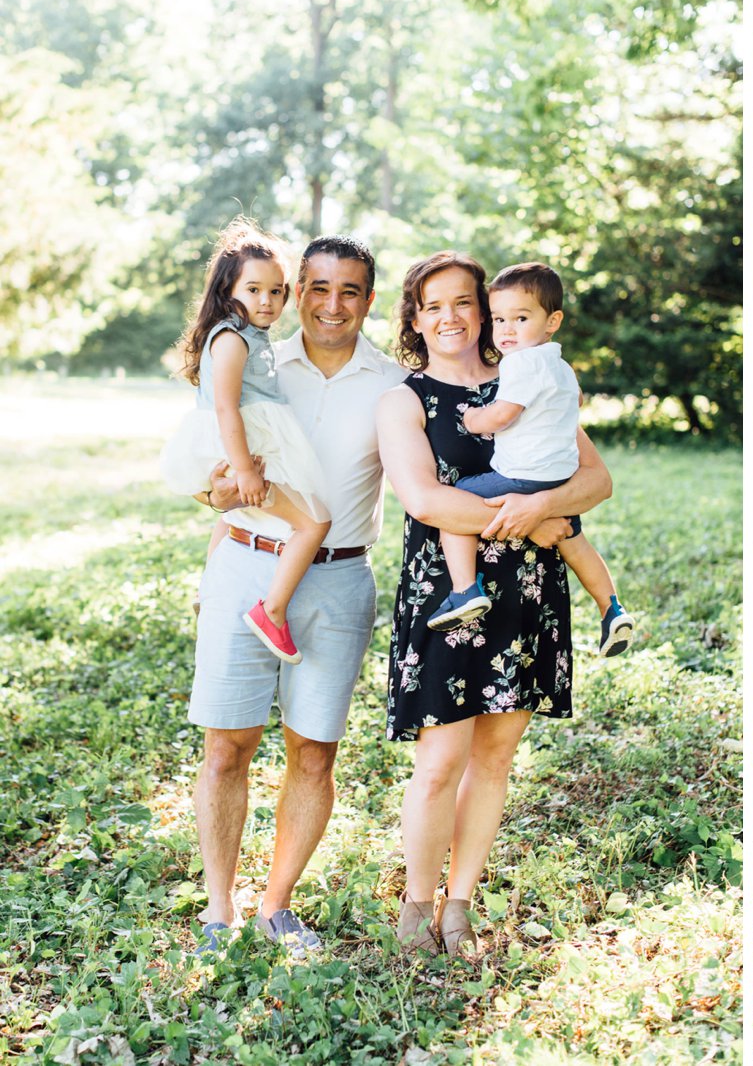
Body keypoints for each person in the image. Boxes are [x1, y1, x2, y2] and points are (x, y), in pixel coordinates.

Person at [376, 251, 612, 956]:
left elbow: (596, 480)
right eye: (432, 305)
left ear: (485, 310)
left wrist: (542, 507)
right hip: (451, 593)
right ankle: (418, 908)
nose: (449, 317)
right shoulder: (404, 398)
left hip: (526, 591)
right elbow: (423, 500)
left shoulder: (529, 377)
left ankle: (460, 905)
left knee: (496, 758)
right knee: (442, 757)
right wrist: (529, 517)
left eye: (462, 302)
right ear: (415, 319)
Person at [187, 234, 406, 955]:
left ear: (369, 301)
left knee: (313, 753)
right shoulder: (255, 356)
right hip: (246, 563)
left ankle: (276, 905)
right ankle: (219, 911)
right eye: (315, 287)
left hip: (339, 579)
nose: (330, 304)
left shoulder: (394, 385)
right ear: (294, 292)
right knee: (227, 747)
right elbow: (211, 463)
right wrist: (215, 502)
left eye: (348, 290)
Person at [429, 261, 635, 658]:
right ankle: (612, 607)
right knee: (576, 543)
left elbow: (503, 415)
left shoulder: (520, 363)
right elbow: (574, 402)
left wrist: (474, 419)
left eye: (520, 318)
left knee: (455, 504)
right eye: (499, 319)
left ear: (552, 320)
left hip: (520, 476)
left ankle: (464, 591)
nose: (506, 329)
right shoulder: (561, 366)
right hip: (560, 477)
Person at [160, 218, 331, 664]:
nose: (267, 300)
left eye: (276, 291)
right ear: (227, 289)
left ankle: (207, 588)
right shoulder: (233, 340)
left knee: (233, 515)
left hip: (245, 443)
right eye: (254, 289)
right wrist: (244, 469)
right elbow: (225, 408)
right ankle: (272, 611)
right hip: (242, 447)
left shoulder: (246, 336)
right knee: (314, 523)